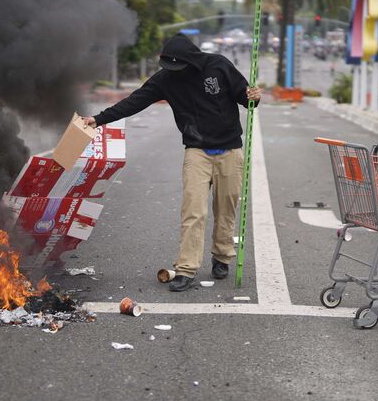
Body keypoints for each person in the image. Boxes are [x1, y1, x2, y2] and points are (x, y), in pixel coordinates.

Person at [81, 33, 262, 292]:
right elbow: (135, 101)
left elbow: (246, 99)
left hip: (230, 150)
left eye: (178, 66)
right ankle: (186, 269)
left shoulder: (219, 65)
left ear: (191, 60)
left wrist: (254, 96)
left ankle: (222, 256)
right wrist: (98, 119)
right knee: (193, 211)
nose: (174, 72)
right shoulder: (166, 79)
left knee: (226, 207)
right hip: (197, 151)